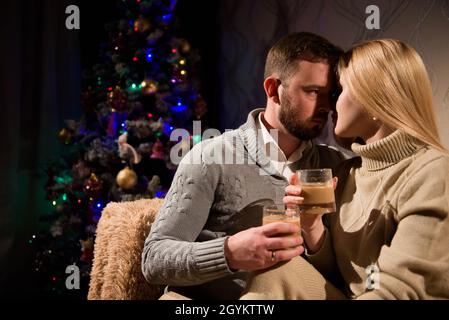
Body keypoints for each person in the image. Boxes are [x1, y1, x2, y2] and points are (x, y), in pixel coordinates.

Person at [141, 32, 347, 299]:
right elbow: (154, 260)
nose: (325, 107)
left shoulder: (334, 165)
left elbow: (343, 275)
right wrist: (229, 252)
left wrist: (315, 232)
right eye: (313, 92)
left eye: (330, 96)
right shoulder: (211, 156)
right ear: (273, 89)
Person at [241, 39, 449, 300]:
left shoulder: (434, 174)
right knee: (277, 269)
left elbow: (401, 292)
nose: (328, 107)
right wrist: (313, 226)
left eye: (338, 92)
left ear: (376, 96)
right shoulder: (346, 172)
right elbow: (339, 277)